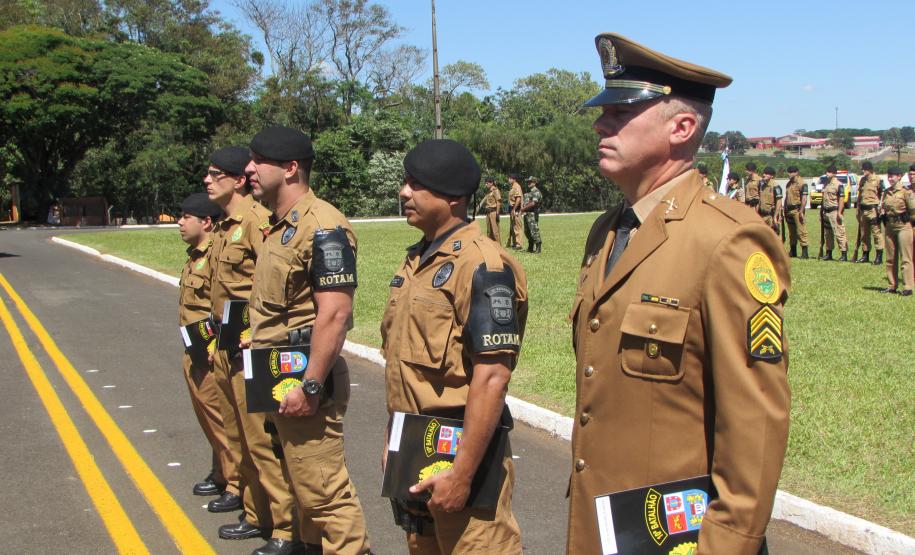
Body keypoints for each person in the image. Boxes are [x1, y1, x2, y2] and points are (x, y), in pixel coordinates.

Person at [567, 32, 790, 554]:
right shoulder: (607, 231)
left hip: (678, 540)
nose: (601, 124)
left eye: (621, 112)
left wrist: (727, 545)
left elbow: (753, 421)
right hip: (602, 527)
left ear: (682, 128)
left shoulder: (727, 240)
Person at [380, 139, 528, 554]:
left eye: (417, 183)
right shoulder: (416, 261)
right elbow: (403, 370)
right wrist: (393, 443)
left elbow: (492, 377)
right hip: (415, 452)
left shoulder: (483, 266)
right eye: (405, 182)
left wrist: (462, 475)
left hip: (463, 459)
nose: (404, 192)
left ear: (454, 197)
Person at [244, 126, 371, 555]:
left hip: (305, 382)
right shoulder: (277, 227)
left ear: (290, 168)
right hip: (278, 377)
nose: (249, 169)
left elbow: (335, 315)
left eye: (258, 160)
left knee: (325, 494)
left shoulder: (323, 227)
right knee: (303, 490)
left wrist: (311, 386)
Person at [205, 146, 299, 553]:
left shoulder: (257, 221)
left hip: (252, 345)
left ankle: (284, 527)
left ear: (238, 179)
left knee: (262, 440)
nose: (207, 181)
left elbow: (271, 285)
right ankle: (255, 511)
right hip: (226, 344)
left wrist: (260, 334)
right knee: (238, 435)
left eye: (214, 174)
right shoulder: (226, 226)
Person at [177, 193, 232, 498]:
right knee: (209, 420)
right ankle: (221, 471)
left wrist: (215, 347)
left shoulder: (213, 256)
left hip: (210, 352)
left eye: (187, 217)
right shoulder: (195, 255)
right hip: (195, 350)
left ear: (206, 222)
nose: (180, 222)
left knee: (221, 420)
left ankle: (235, 482)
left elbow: (221, 304)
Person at [880, 167, 914, 295]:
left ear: (899, 176)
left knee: (905, 258)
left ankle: (908, 287)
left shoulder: (906, 192)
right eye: (889, 176)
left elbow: (913, 211)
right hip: (890, 226)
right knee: (890, 258)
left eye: (893, 176)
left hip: (903, 226)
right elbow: (883, 207)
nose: (890, 178)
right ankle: (892, 285)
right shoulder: (886, 192)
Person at [856, 161, 884, 264]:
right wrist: (858, 209)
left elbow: (882, 194)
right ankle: (865, 255)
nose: (863, 171)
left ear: (869, 170)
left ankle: (879, 257)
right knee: (864, 234)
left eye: (865, 169)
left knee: (876, 233)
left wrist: (881, 208)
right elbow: (860, 195)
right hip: (863, 210)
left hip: (873, 210)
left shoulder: (877, 179)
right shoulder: (862, 180)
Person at [820, 164, 848, 261]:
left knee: (839, 232)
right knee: (828, 234)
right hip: (826, 212)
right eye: (827, 172)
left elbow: (841, 200)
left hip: (834, 211)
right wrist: (821, 212)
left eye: (830, 172)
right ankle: (829, 253)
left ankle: (844, 254)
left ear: (834, 173)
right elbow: (823, 199)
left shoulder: (838, 184)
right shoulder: (826, 184)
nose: (827, 173)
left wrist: (840, 212)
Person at [783, 165, 809, 258]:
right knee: (792, 232)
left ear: (797, 172)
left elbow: (804, 198)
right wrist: (785, 208)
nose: (790, 173)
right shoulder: (789, 184)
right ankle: (793, 251)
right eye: (789, 172)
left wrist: (801, 211)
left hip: (797, 209)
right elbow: (787, 198)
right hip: (789, 210)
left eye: (792, 172)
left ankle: (805, 252)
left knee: (801, 231)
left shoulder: (802, 183)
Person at [521, 176, 543, 253]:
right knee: (527, 231)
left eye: (530, 182)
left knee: (534, 231)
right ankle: (530, 247)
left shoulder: (536, 192)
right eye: (528, 182)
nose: (528, 183)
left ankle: (538, 247)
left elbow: (533, 203)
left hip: (533, 214)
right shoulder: (529, 192)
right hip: (527, 214)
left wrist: (523, 209)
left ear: (534, 182)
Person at [477, 177, 502, 244]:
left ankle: (498, 247)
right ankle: (491, 246)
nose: (486, 184)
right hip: (488, 213)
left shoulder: (496, 190)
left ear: (491, 183)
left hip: (493, 212)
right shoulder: (489, 191)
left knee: (495, 231)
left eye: (487, 183)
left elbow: (498, 202)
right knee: (489, 231)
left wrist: (497, 214)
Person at [758, 166, 783, 236]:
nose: (764, 175)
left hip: (771, 216)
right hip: (762, 215)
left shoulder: (776, 186)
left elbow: (779, 202)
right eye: (764, 173)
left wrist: (775, 216)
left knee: (773, 236)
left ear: (772, 176)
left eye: (766, 174)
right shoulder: (762, 185)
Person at [506, 174, 524, 250]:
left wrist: (514, 209)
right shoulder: (513, 187)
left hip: (516, 209)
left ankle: (519, 244)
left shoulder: (517, 187)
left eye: (510, 178)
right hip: (512, 208)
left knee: (517, 227)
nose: (508, 180)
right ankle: (515, 243)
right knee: (513, 226)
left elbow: (518, 199)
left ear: (514, 179)